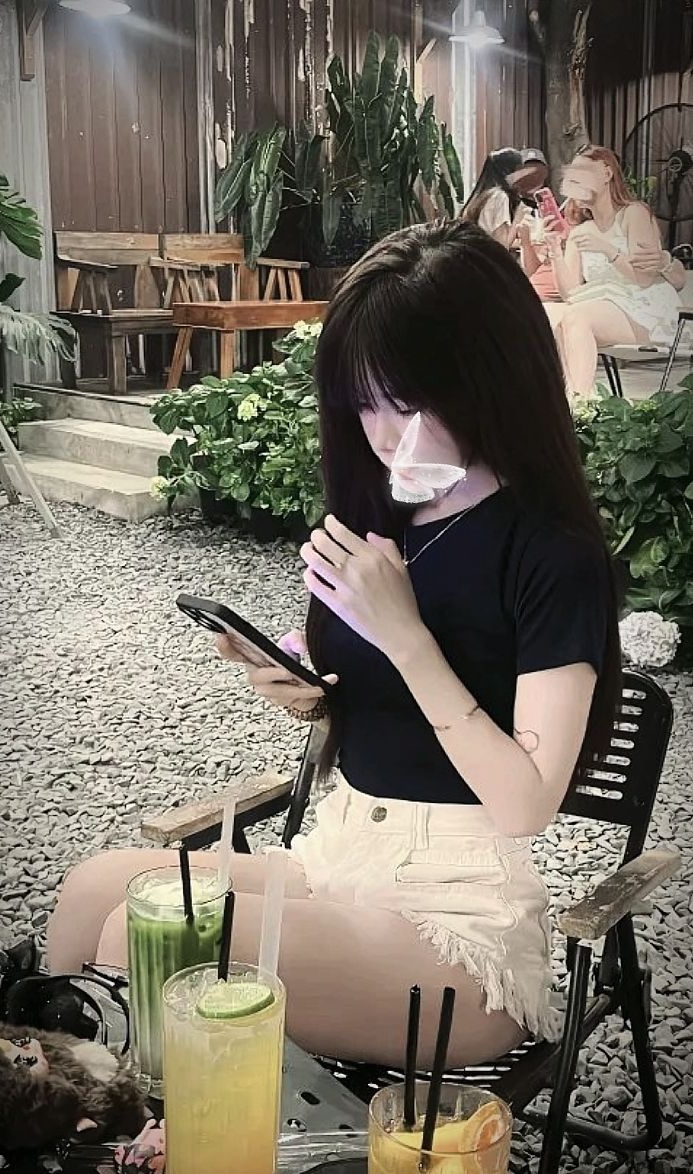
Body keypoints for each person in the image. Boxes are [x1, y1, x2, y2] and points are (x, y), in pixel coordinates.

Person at [47, 221, 621, 1072]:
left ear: (490, 379)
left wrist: (406, 637)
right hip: (341, 860)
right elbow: (391, 720)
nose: (382, 433)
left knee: (147, 938)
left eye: (406, 403)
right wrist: (313, 698)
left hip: (457, 921)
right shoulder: (387, 515)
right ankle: (65, 1117)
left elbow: (526, 804)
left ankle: (130, 1125)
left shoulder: (551, 554)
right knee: (95, 889)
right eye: (363, 402)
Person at [547, 145, 683, 397]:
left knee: (578, 318)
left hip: (645, 305)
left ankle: (579, 402)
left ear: (607, 174)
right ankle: (567, 397)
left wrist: (608, 250)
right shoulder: (580, 232)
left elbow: (643, 278)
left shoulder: (634, 213)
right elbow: (570, 293)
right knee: (551, 317)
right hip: (605, 305)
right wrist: (554, 249)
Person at [462, 147, 543, 248]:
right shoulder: (499, 197)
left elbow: (493, 239)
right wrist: (520, 215)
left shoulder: (485, 195)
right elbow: (503, 245)